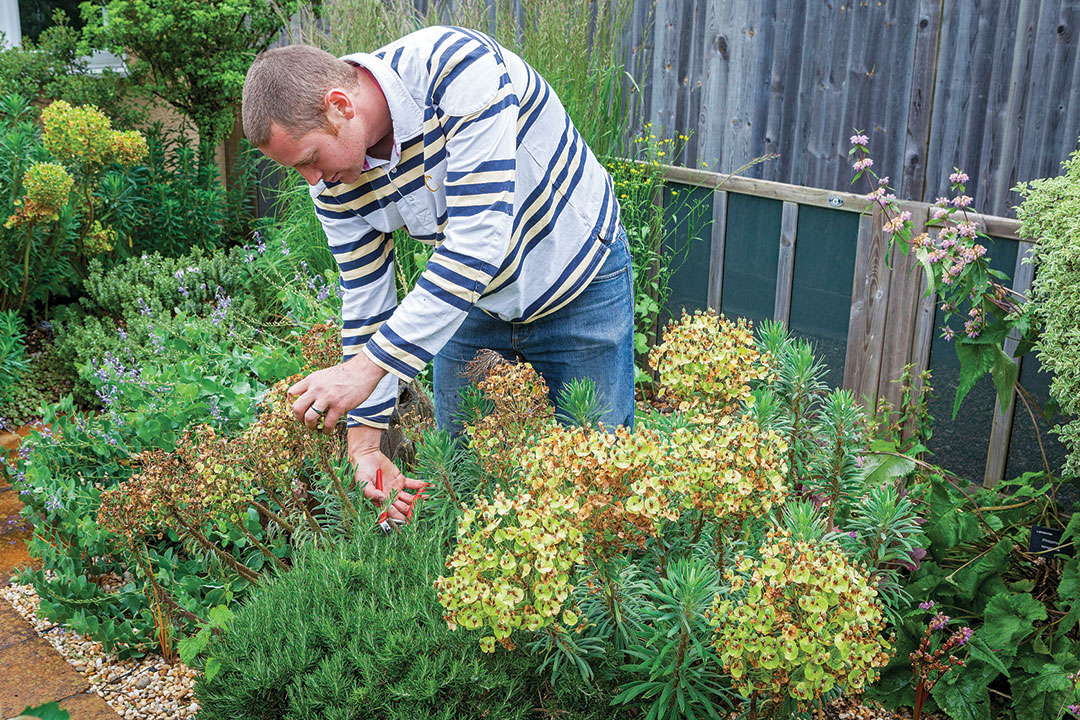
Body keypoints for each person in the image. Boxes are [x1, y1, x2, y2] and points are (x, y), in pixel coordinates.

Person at [242, 26, 634, 523]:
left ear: (340, 105)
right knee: (465, 480)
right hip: (472, 300)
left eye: (311, 160)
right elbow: (367, 295)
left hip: (577, 280)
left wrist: (363, 372)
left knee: (599, 484)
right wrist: (364, 444)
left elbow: (476, 244)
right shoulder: (335, 184)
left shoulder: (458, 70)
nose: (312, 182)